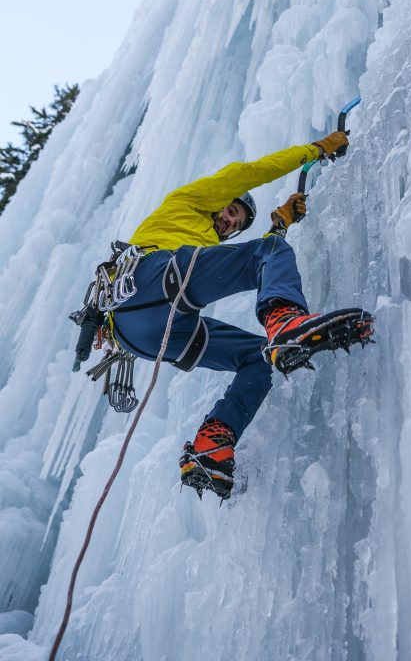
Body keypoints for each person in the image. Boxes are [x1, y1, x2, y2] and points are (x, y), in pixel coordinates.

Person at [110, 131, 372, 501]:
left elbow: (238, 262)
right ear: (219, 203)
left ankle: (212, 445)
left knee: (258, 358)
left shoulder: (201, 242)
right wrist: (315, 150)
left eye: (237, 224)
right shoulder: (187, 203)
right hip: (151, 277)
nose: (230, 222)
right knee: (270, 251)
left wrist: (280, 222)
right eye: (232, 212)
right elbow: (250, 173)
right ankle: (284, 320)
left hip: (140, 334)